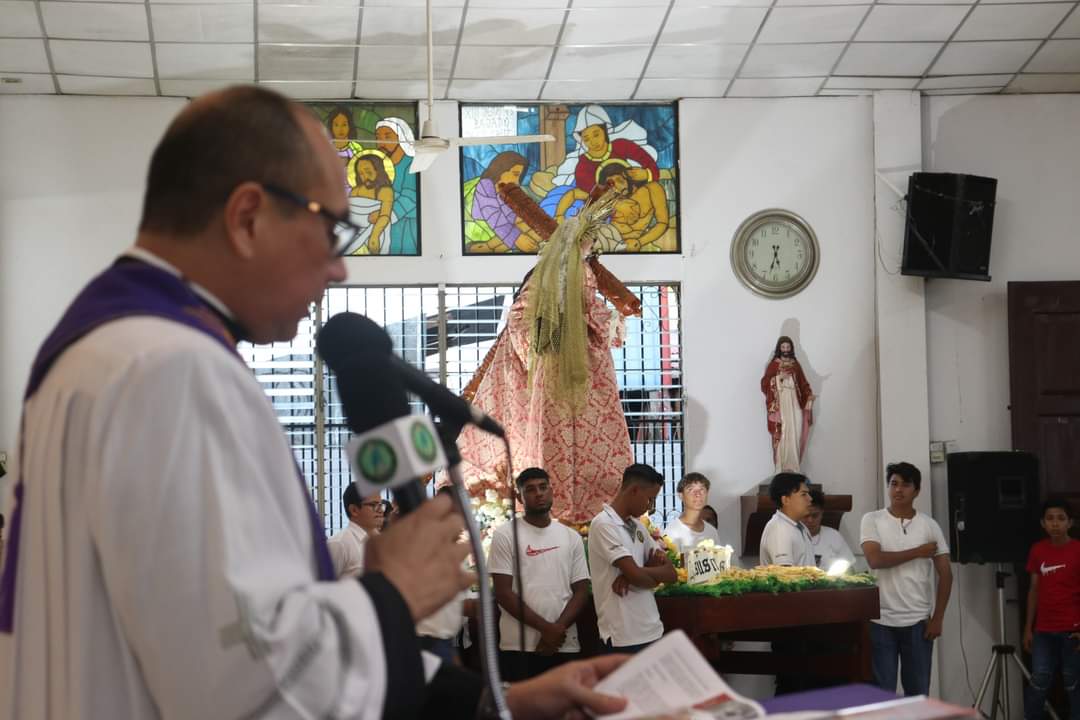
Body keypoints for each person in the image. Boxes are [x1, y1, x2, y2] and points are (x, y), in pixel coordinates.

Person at [0, 86, 629, 720]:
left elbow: (242, 626)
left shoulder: (117, 346)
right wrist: (393, 591)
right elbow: (243, 680)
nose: (339, 269)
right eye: (331, 228)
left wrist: (502, 700)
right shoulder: (171, 369)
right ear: (248, 217)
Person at [860, 461, 952, 697]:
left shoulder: (929, 525)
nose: (898, 490)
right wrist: (918, 552)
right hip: (880, 621)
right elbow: (875, 560)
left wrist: (938, 618)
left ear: (917, 491)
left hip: (918, 623)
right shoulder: (872, 520)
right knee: (883, 694)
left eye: (906, 485)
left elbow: (946, 575)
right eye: (894, 484)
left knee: (918, 693)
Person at [488, 468, 589, 681]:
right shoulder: (505, 535)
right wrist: (547, 629)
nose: (539, 493)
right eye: (531, 489)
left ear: (551, 490)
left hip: (564, 643)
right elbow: (503, 593)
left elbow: (581, 591)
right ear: (519, 497)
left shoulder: (571, 537)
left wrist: (557, 630)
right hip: (519, 645)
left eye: (543, 487)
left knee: (563, 711)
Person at [588, 463, 676, 654]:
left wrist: (631, 574)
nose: (650, 507)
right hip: (623, 634)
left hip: (652, 628)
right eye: (650, 499)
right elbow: (639, 577)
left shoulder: (637, 526)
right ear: (635, 490)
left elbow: (671, 573)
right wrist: (637, 574)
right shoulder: (604, 524)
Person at [1023, 498, 1080, 720]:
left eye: (1061, 518)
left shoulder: (1077, 550)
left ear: (1070, 523)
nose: (1055, 523)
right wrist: (1028, 627)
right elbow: (1033, 590)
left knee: (1073, 683)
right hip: (1043, 631)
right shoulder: (1037, 550)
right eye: (1050, 519)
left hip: (1073, 630)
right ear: (1042, 523)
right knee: (1039, 681)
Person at [464, 151, 545, 253]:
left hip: (498, 229)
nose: (517, 182)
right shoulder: (485, 185)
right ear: (501, 170)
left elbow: (511, 216)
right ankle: (477, 248)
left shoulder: (504, 189)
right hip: (479, 230)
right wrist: (517, 238)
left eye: (519, 177)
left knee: (531, 232)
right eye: (515, 175)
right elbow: (494, 217)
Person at [760, 336, 814, 473]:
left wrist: (809, 397)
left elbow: (803, 384)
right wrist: (779, 378)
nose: (785, 350)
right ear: (779, 348)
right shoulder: (774, 365)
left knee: (796, 431)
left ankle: (794, 467)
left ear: (791, 348)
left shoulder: (796, 365)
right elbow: (764, 384)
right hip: (781, 401)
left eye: (787, 347)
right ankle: (781, 467)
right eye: (783, 347)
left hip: (794, 401)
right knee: (782, 431)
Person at [373, 117, 418, 254]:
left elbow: (410, 198)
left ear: (402, 138)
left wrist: (385, 216)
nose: (381, 142)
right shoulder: (380, 167)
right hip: (384, 226)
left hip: (407, 226)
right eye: (378, 138)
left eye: (387, 137)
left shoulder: (411, 164)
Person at [326, 483, 384, 578]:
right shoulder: (339, 544)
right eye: (374, 505)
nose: (381, 510)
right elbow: (326, 585)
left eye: (381, 505)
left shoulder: (381, 540)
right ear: (354, 510)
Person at [759, 473, 815, 567]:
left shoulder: (800, 526)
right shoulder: (779, 529)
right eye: (804, 494)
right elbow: (785, 575)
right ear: (785, 500)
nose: (810, 499)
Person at [663, 473, 720, 555]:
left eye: (702, 489)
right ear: (681, 495)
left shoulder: (712, 531)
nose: (698, 494)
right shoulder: (672, 532)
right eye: (690, 489)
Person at [804, 489, 855, 572]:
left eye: (815, 515)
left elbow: (850, 570)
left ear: (822, 513)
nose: (810, 520)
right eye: (806, 515)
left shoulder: (833, 535)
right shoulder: (792, 535)